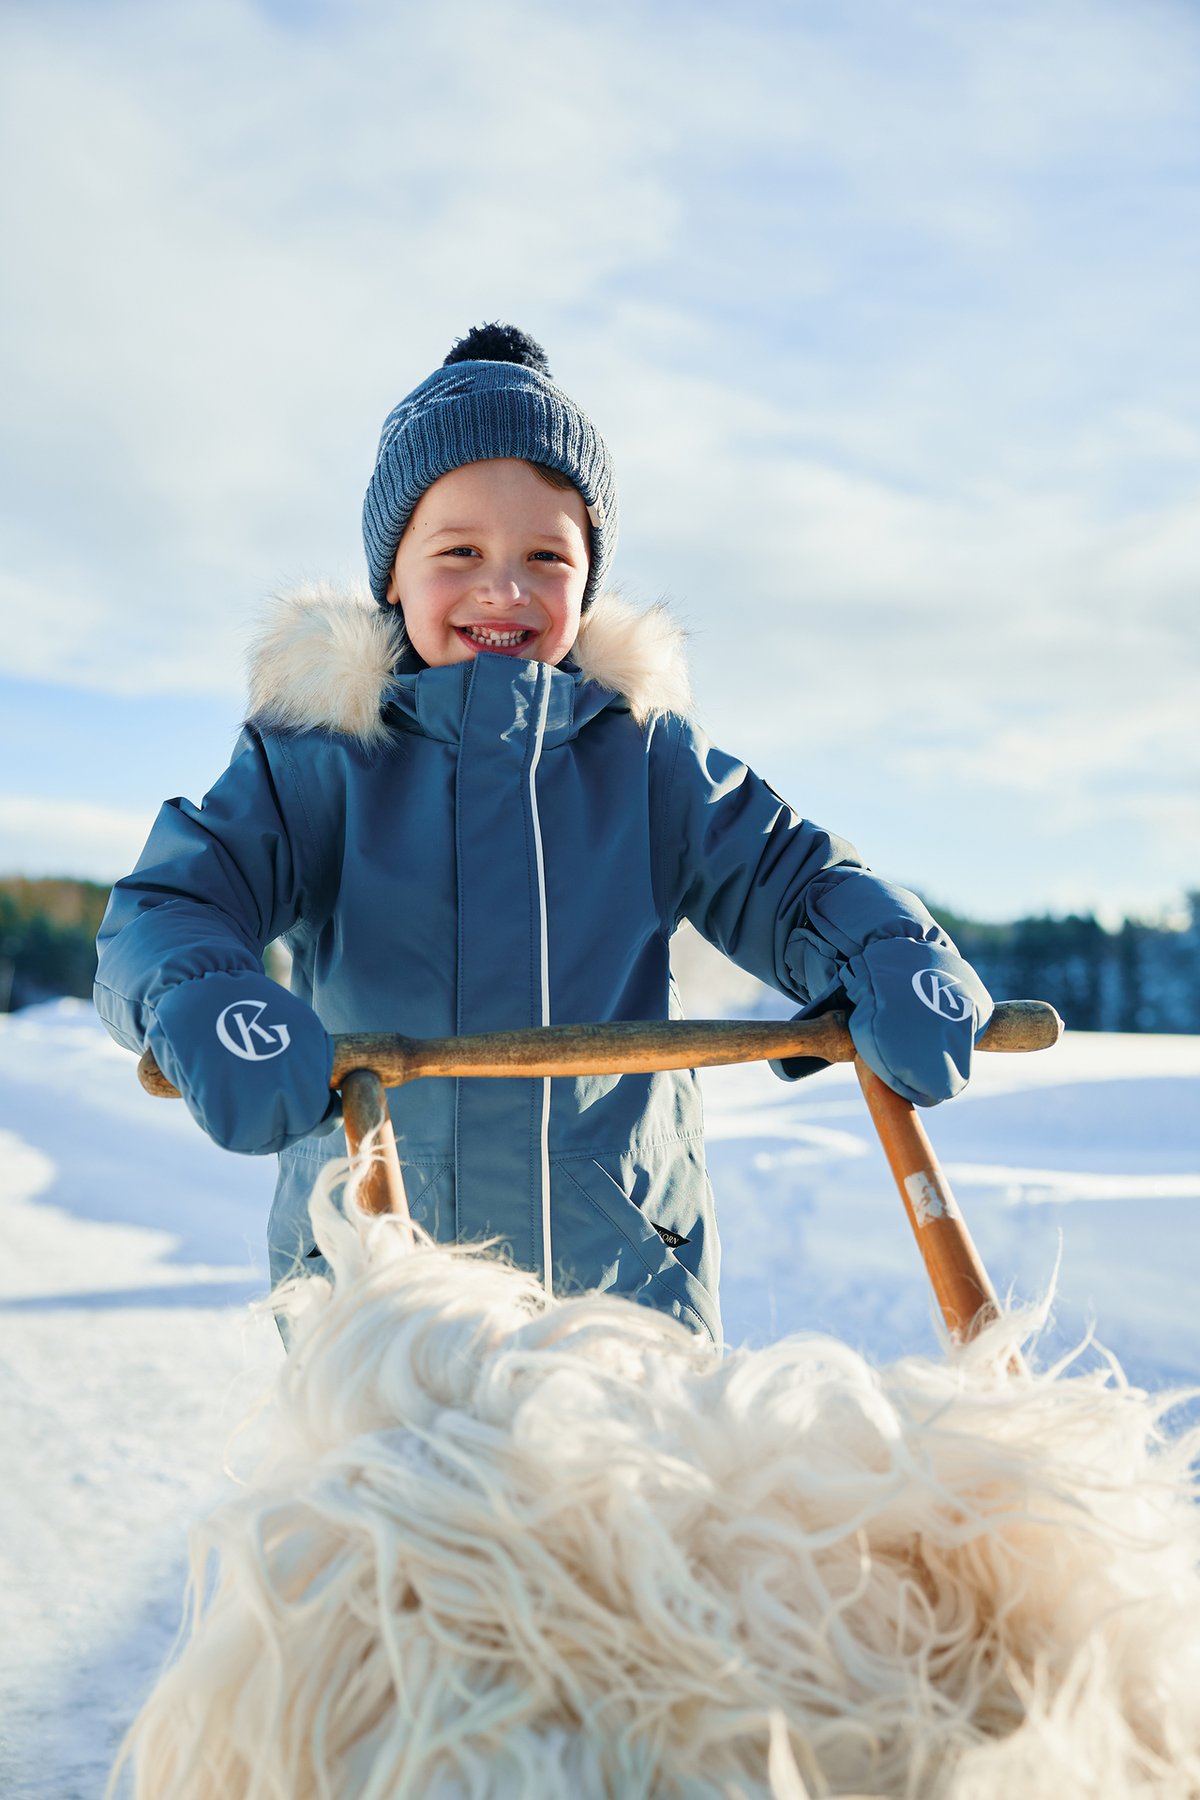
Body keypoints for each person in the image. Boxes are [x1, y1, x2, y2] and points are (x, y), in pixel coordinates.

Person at [94, 322, 992, 1346]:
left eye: (546, 557)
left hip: (621, 1292)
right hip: (382, 1300)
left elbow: (794, 880)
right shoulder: (319, 761)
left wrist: (889, 947)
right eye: (460, 552)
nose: (504, 589)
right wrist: (202, 995)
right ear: (393, 573)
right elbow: (171, 905)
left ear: (587, 579)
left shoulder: (646, 763)